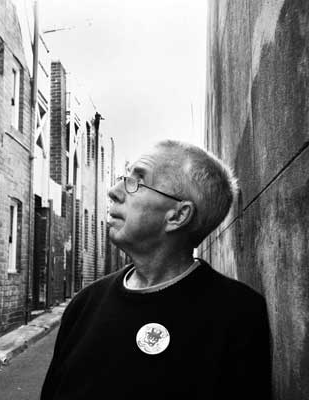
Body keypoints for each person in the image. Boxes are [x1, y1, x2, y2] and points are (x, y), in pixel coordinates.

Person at [41, 140, 271, 400]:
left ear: (177, 216)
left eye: (137, 181)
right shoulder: (85, 304)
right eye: (124, 177)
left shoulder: (239, 315)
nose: (114, 191)